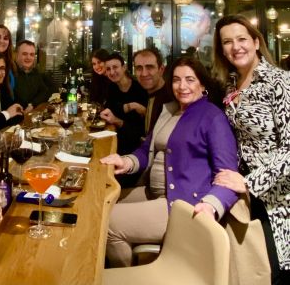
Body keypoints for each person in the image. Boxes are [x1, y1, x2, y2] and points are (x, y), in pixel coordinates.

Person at [100, 56, 238, 267]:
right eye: (176, 80)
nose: (182, 86)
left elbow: (228, 176)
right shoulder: (170, 110)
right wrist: (126, 162)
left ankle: (130, 276)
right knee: (101, 203)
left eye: (190, 80)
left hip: (182, 202)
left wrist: (211, 206)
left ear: (202, 84)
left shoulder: (212, 117)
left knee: (107, 222)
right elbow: (146, 150)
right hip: (153, 191)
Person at [212, 14, 290, 283]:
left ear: (256, 42)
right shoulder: (231, 85)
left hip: (279, 198)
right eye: (227, 42)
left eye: (242, 39)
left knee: (275, 271)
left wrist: (249, 182)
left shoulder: (280, 82)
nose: (236, 47)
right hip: (247, 195)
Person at [100, 53, 148, 156]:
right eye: (108, 69)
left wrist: (117, 119)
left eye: (115, 67)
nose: (112, 72)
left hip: (136, 146)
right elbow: (108, 109)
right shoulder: (111, 87)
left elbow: (139, 129)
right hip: (116, 137)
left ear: (124, 67)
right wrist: (131, 106)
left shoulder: (139, 88)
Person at [128, 48, 172, 134]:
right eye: (139, 68)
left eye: (150, 67)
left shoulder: (170, 100)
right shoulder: (144, 93)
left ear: (161, 70)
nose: (144, 74)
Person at [13, 40, 52, 111]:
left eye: (31, 54)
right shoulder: (9, 73)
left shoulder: (35, 72)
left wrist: (32, 104)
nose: (28, 57)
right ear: (16, 55)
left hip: (31, 114)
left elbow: (44, 91)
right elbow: (22, 98)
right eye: (24, 54)